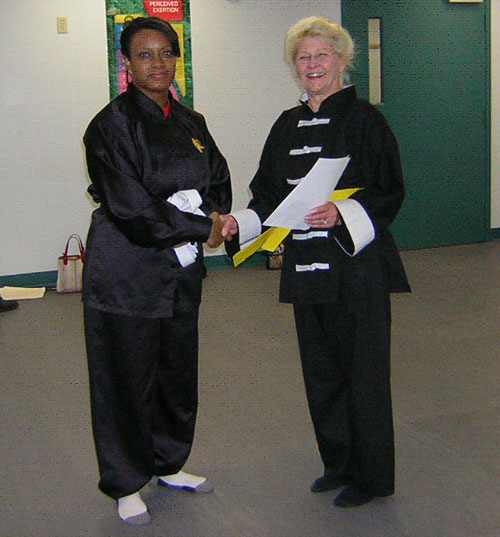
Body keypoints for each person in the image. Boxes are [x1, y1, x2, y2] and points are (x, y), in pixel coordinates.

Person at [221, 16, 410, 508]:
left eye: (321, 55)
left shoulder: (367, 121)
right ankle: (338, 464)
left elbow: (389, 190)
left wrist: (342, 212)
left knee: (364, 374)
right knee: (321, 374)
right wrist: (240, 222)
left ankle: (372, 477)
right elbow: (266, 193)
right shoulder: (285, 124)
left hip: (357, 265)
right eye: (303, 58)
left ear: (342, 60)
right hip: (306, 266)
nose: (312, 65)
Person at [83, 17, 231, 525]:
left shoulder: (191, 121)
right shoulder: (110, 126)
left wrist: (213, 215)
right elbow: (131, 207)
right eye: (145, 55)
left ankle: (169, 462)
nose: (158, 64)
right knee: (125, 378)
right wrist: (201, 226)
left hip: (180, 270)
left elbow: (218, 178)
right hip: (127, 272)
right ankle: (126, 481)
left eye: (167, 53)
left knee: (176, 372)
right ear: (126, 63)